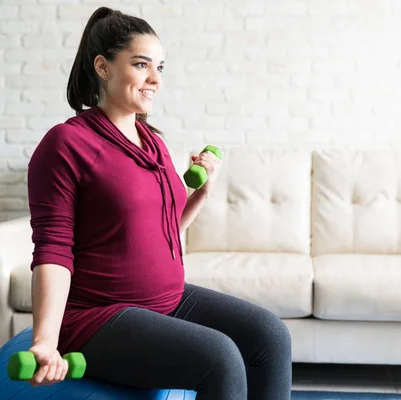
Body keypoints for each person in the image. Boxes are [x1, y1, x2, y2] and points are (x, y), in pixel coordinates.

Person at [26, 6, 292, 400]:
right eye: (141, 64)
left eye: (160, 68)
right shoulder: (66, 144)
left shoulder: (153, 142)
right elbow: (53, 249)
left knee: (270, 335)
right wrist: (45, 340)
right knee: (221, 357)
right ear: (103, 67)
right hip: (97, 315)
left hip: (165, 300)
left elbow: (160, 229)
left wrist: (200, 195)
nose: (155, 79)